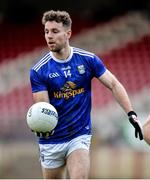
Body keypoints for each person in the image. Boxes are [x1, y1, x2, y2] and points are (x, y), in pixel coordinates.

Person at [29, 10, 143, 179]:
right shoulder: (39, 70)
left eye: (54, 31)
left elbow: (113, 84)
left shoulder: (87, 60)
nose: (49, 36)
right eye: (46, 32)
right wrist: (40, 125)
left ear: (68, 34)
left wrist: (131, 113)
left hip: (79, 135)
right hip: (51, 141)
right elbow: (44, 109)